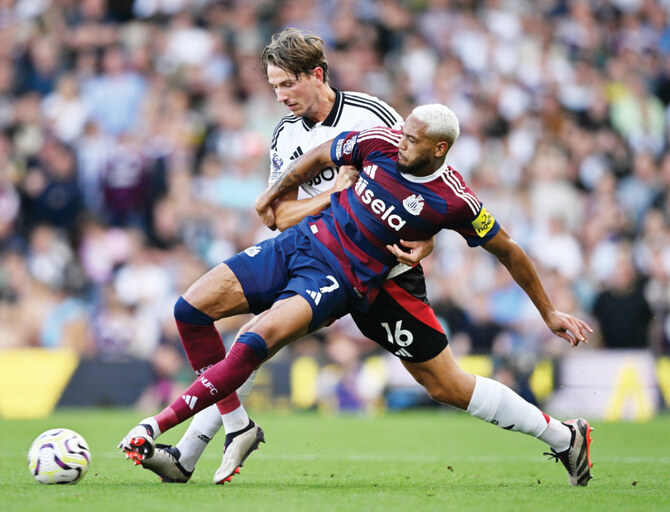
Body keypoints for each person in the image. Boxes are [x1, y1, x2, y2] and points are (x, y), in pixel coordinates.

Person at [120, 103, 595, 487]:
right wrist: (273, 193)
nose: (399, 139)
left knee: (445, 385)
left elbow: (509, 250)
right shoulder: (374, 139)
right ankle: (198, 436)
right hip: (303, 244)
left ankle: (562, 436)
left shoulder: (455, 201)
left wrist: (548, 311)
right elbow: (322, 155)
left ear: (439, 148)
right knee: (193, 309)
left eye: (411, 138)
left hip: (372, 283)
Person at [137, 28, 436, 485]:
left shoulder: (371, 113)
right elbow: (279, 215)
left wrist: (429, 234)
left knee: (441, 382)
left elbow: (421, 177)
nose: (279, 96)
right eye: (273, 86)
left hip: (362, 264)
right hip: (304, 246)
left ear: (316, 75)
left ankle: (186, 449)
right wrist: (332, 196)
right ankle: (208, 443)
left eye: (286, 84)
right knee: (214, 322)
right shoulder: (285, 135)